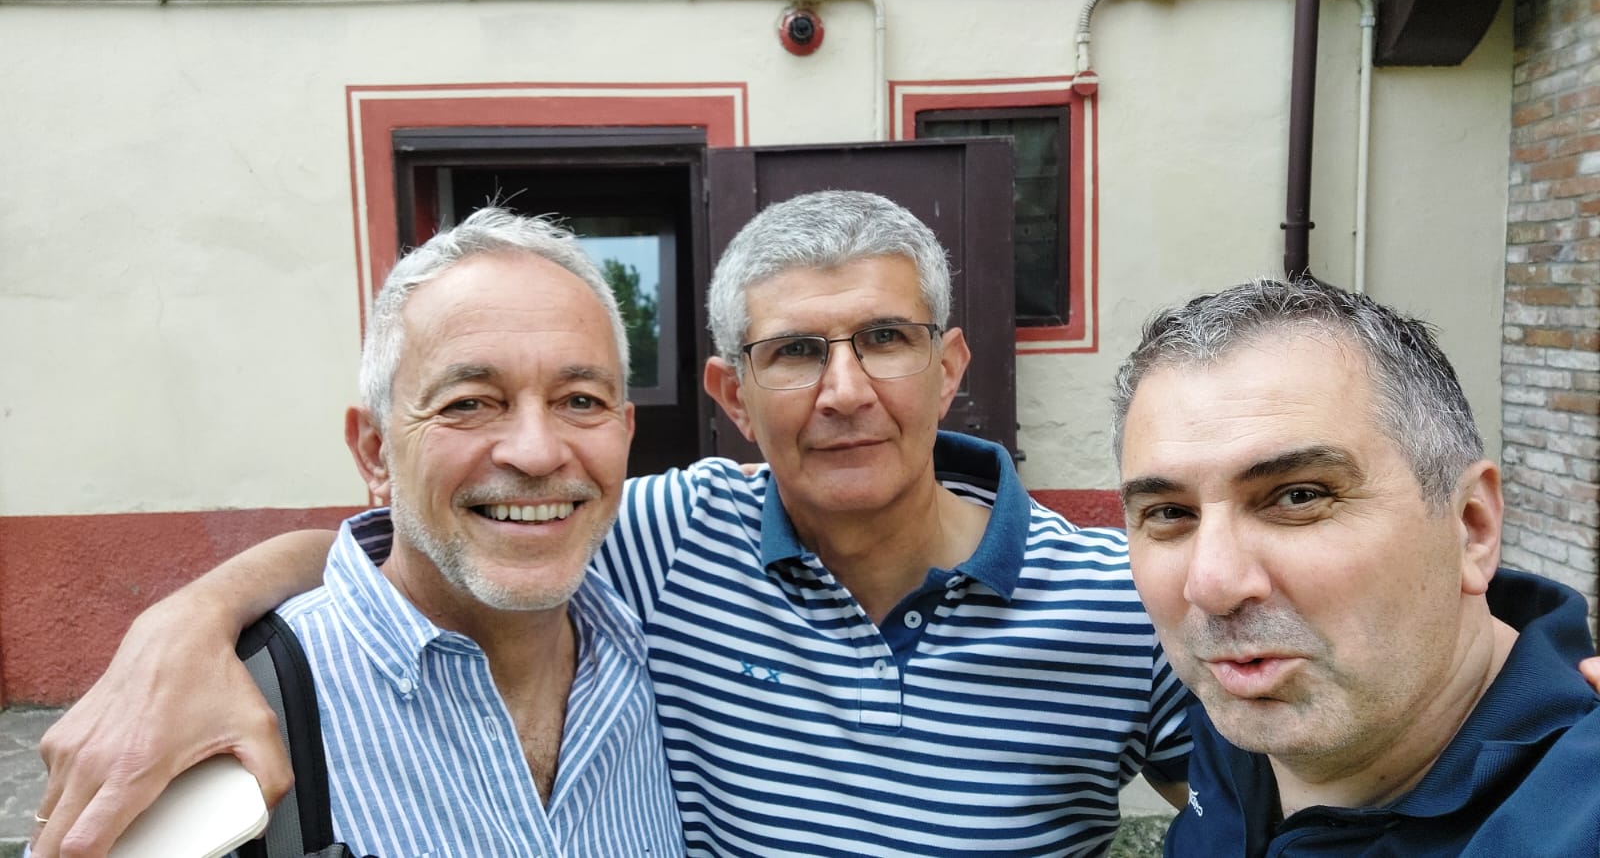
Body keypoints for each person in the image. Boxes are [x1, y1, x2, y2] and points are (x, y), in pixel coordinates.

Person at [35, 191, 1191, 858]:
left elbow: (1268, 796)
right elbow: (428, 541)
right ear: (731, 396)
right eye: (795, 351)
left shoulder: (1123, 599)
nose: (844, 391)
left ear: (948, 367)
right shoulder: (668, 542)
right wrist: (189, 626)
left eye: (885, 340)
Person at [34, 208, 685, 856]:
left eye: (580, 401)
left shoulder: (663, 636)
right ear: (375, 453)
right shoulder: (209, 722)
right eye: (468, 403)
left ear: (625, 433)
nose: (537, 453)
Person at [1110, 277, 1600, 855]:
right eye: (1169, 513)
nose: (1212, 585)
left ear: (1471, 527)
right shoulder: (1239, 711)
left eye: (1300, 496)